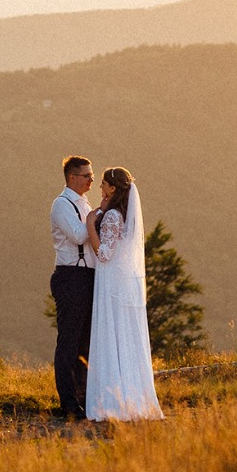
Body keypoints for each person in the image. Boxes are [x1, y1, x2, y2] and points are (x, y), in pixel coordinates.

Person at [85, 166, 163, 422]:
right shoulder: (123, 214)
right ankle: (131, 395)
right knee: (124, 336)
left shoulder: (111, 217)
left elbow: (104, 254)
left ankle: (113, 401)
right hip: (123, 280)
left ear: (113, 188)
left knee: (112, 334)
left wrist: (90, 226)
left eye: (104, 184)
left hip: (111, 282)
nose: (100, 188)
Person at [49, 155, 96, 420]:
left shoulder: (85, 203)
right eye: (86, 175)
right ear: (72, 178)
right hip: (70, 276)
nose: (91, 179)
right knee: (68, 341)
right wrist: (97, 217)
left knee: (84, 343)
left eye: (91, 175)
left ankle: (82, 398)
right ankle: (67, 402)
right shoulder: (62, 204)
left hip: (88, 277)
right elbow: (79, 235)